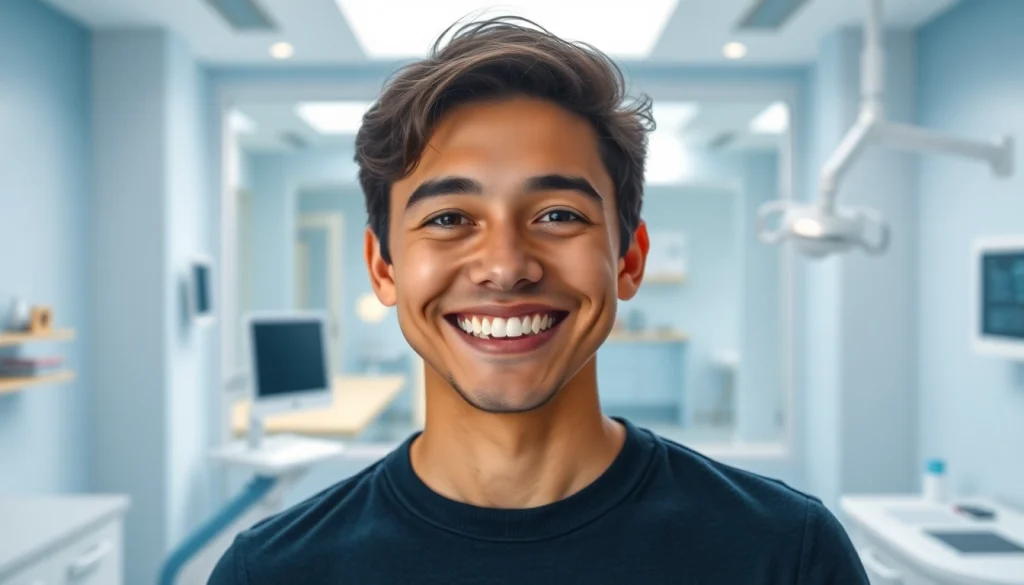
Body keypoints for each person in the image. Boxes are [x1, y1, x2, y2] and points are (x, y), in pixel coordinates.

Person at [209, 17, 870, 585]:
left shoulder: (788, 556)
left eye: (557, 215)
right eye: (448, 219)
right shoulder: (269, 573)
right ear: (383, 267)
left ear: (628, 259)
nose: (504, 266)